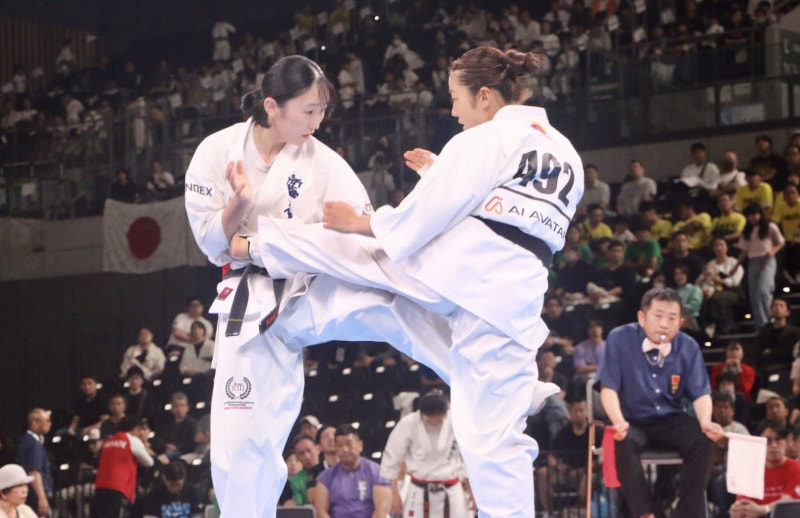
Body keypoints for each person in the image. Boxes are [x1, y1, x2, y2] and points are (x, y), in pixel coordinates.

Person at [249, 47, 583, 517]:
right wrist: (440, 173)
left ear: (485, 96)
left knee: (352, 249)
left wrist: (359, 221)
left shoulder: (485, 139)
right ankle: (522, 394)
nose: (454, 111)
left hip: (463, 269)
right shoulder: (563, 150)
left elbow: (421, 220)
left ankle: (253, 245)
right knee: (495, 440)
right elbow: (510, 208)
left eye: (456, 98)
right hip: (515, 293)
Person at [184, 55, 453, 518]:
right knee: (242, 439)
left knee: (387, 300)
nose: (317, 122)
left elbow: (364, 235)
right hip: (250, 302)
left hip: (310, 290)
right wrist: (240, 201)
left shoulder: (324, 162)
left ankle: (480, 371)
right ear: (272, 106)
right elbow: (213, 243)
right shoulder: (217, 150)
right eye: (308, 110)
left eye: (322, 110)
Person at [595, 287, 724, 518]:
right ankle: (645, 513)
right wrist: (618, 421)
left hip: (670, 419)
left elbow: (700, 392)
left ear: (681, 322)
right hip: (631, 419)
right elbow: (608, 387)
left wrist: (705, 421)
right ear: (642, 317)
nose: (664, 324)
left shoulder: (688, 346)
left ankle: (686, 514)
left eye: (672, 318)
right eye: (658, 316)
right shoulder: (619, 338)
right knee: (621, 440)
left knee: (703, 439)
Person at [381, 391, 470, 518]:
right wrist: (394, 496)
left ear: (446, 412)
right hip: (419, 491)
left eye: (438, 421)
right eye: (429, 421)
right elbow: (391, 462)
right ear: (421, 413)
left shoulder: (458, 422)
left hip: (452, 491)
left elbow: (473, 458)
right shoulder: (408, 424)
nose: (434, 424)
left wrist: (473, 492)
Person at [314, 425, 391, 518]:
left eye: (349, 444)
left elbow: (381, 511)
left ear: (360, 445)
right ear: (336, 448)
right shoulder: (325, 478)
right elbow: (321, 512)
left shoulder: (376, 472)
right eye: (340, 445)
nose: (345, 449)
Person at [728, 421, 800, 518]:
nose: (774, 445)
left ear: (786, 442)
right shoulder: (750, 468)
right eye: (768, 441)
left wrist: (763, 509)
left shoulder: (796, 468)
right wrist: (738, 509)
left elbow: (787, 503)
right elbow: (743, 501)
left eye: (778, 440)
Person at [92, 417, 155, 518]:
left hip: (100, 488)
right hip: (118, 489)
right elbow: (149, 462)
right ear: (134, 429)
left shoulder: (108, 441)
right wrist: (144, 443)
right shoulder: (132, 440)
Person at [738, 203, 785, 328]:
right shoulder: (747, 231)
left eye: (754, 214)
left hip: (767, 260)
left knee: (764, 290)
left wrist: (773, 251)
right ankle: (761, 324)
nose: (752, 217)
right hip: (753, 261)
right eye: (749, 215)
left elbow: (781, 242)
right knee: (754, 295)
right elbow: (744, 250)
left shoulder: (770, 226)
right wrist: (736, 266)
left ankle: (771, 319)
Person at [17, 408, 52, 518]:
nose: (50, 424)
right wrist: (42, 497)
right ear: (35, 423)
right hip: (35, 494)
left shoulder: (25, 440)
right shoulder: (34, 444)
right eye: (47, 421)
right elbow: (34, 472)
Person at [280, 434, 323, 506]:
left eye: (309, 450)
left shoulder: (329, 470)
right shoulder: (294, 481)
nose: (307, 456)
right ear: (297, 457)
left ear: (317, 449)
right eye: (301, 453)